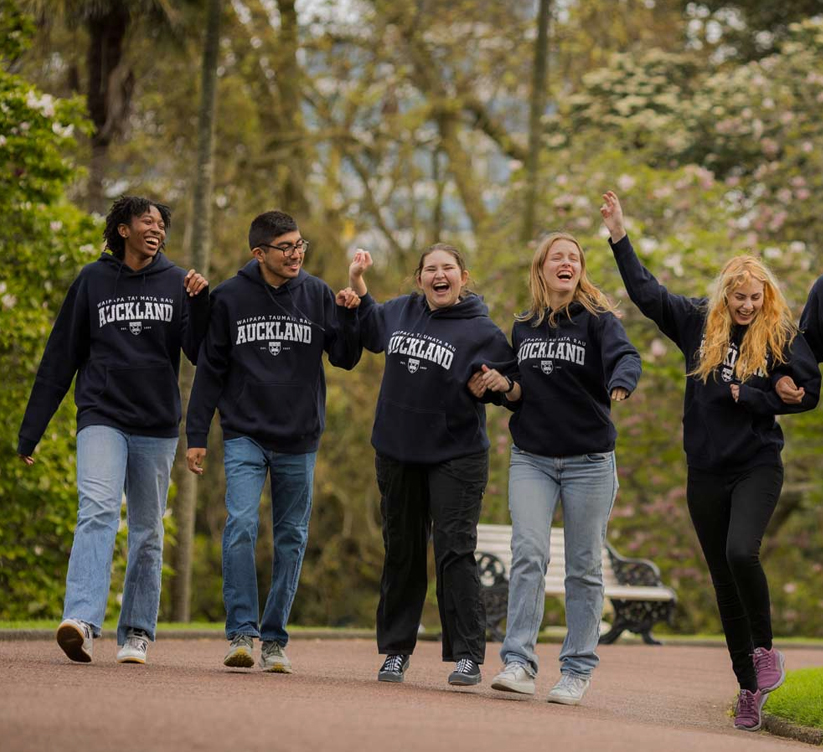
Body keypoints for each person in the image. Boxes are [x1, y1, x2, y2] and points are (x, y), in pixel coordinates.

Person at [600, 190, 820, 732]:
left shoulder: (779, 338)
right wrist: (619, 236)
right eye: (738, 296)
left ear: (765, 297)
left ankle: (766, 653)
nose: (746, 305)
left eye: (754, 297)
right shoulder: (697, 324)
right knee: (723, 579)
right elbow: (646, 294)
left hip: (756, 466)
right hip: (705, 471)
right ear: (725, 294)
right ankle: (748, 688)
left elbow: (809, 391)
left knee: (742, 552)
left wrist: (775, 396)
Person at [17, 196, 209, 665]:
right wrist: (31, 431)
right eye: (147, 220)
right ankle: (81, 620)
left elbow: (201, 353)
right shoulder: (92, 281)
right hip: (101, 415)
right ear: (123, 229)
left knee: (147, 530)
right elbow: (60, 355)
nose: (157, 229)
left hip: (157, 423)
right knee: (98, 508)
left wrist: (201, 304)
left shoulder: (177, 282)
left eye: (162, 223)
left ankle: (138, 631)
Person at [468, 232, 641, 705]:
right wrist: (503, 384)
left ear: (580, 269)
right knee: (528, 554)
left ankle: (577, 670)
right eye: (556, 257)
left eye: (574, 258)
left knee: (584, 568)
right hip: (533, 458)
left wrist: (621, 383)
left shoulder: (599, 321)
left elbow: (626, 356)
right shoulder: (524, 326)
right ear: (542, 268)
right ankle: (519, 662)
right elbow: (518, 388)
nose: (566, 263)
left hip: (589, 461)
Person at [185, 210, 361, 673]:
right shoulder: (228, 297)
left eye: (300, 244)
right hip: (244, 433)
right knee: (240, 524)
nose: (296, 254)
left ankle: (275, 639)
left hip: (299, 439)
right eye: (285, 247)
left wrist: (349, 314)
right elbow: (210, 370)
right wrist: (197, 434)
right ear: (259, 253)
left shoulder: (319, 294)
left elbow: (343, 357)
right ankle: (242, 632)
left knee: (291, 539)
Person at [348, 244, 519, 687]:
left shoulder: (483, 331)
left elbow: (513, 386)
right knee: (401, 551)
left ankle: (467, 656)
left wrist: (502, 383)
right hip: (397, 452)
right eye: (430, 269)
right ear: (419, 278)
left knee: (454, 552)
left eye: (448, 269)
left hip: (455, 457)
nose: (438, 276)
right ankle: (395, 652)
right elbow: (369, 329)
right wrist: (358, 286)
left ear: (464, 276)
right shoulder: (402, 310)